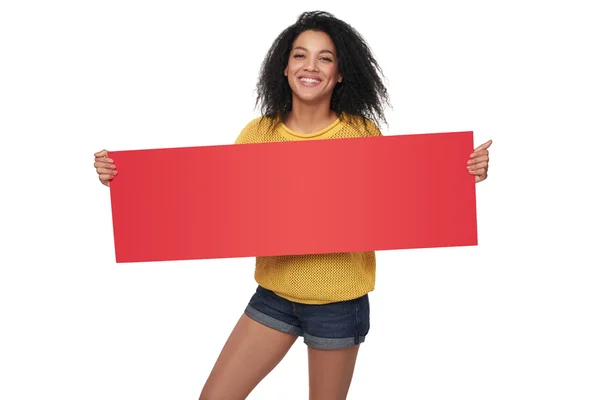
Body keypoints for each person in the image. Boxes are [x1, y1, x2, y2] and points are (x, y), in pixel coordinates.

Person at [93, 11, 492, 400]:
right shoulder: (258, 134)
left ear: (339, 74)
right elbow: (213, 202)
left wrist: (462, 174)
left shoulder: (360, 134)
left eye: (325, 57)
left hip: (339, 303)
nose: (311, 66)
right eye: (300, 55)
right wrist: (125, 182)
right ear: (284, 68)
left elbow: (405, 196)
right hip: (274, 296)